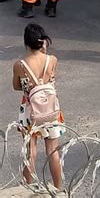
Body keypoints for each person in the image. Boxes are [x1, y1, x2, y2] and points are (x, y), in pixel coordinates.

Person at [12, 23, 64, 190]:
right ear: (43, 42)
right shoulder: (52, 60)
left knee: (31, 150)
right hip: (51, 110)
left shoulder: (20, 65)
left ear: (26, 43)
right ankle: (58, 188)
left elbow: (16, 86)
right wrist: (45, 51)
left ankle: (27, 188)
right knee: (53, 150)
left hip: (30, 110)